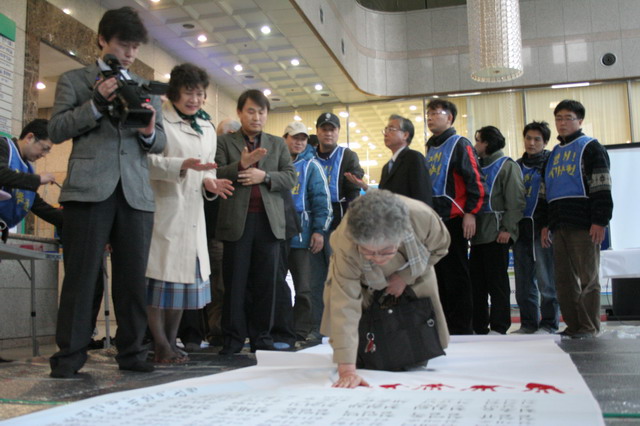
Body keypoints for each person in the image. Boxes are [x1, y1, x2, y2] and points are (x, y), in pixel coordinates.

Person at [48, 6, 166, 378]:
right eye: (122, 44)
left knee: (132, 280)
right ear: (102, 40)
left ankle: (132, 353)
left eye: (134, 47)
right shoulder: (75, 80)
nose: (129, 53)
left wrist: (148, 132)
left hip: (135, 193)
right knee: (82, 278)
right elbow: (56, 130)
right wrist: (96, 103)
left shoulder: (147, 89)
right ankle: (69, 356)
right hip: (87, 190)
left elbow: (159, 140)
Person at [145, 63, 233, 363]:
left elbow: (205, 167)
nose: (195, 99)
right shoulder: (161, 120)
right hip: (164, 209)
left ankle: (171, 341)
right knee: (159, 282)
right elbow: (147, 162)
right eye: (188, 93)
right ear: (174, 93)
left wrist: (212, 183)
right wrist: (181, 165)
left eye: (199, 93)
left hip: (193, 215)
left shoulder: (207, 126)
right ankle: (159, 344)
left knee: (181, 284)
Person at [320, 190, 450, 388]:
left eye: (386, 251)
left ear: (400, 235)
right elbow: (344, 303)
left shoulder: (422, 218)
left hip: (414, 272)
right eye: (369, 252)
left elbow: (440, 248)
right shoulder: (345, 243)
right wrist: (347, 370)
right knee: (364, 354)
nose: (379, 259)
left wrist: (404, 277)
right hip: (365, 283)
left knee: (418, 351)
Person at [214, 89, 296, 354]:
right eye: (251, 111)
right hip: (237, 222)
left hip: (269, 223)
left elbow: (290, 177)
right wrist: (240, 165)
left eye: (261, 112)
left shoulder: (277, 143)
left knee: (267, 284)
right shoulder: (225, 143)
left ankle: (262, 337)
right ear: (240, 112)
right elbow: (215, 172)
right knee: (234, 284)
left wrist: (265, 177)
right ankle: (233, 340)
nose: (256, 116)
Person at [540, 99, 613, 339]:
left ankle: (589, 327)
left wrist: (600, 220)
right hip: (558, 225)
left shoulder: (591, 147)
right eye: (558, 118)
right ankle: (573, 326)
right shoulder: (552, 155)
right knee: (563, 280)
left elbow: (602, 186)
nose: (562, 123)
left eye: (568, 118)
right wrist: (545, 225)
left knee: (588, 279)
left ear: (580, 121)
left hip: (584, 224)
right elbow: (545, 194)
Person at [425, 99, 485, 335]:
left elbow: (477, 181)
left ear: (449, 118)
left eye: (436, 113)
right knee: (439, 276)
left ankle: (462, 328)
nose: (430, 117)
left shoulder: (460, 144)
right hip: (434, 222)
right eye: (428, 113)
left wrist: (471, 213)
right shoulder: (430, 146)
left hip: (456, 219)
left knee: (457, 276)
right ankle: (445, 326)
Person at [310, 112, 364, 338]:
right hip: (313, 225)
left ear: (338, 132)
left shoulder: (347, 155)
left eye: (332, 129)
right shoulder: (309, 155)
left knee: (340, 278)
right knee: (315, 279)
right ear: (318, 132)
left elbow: (354, 189)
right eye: (324, 128)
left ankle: (344, 325)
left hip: (338, 225)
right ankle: (317, 326)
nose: (328, 132)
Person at [470, 126, 525, 335]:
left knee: (497, 283)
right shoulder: (478, 167)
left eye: (478, 141)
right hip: (477, 236)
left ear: (488, 143)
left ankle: (499, 326)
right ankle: (479, 325)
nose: (475, 146)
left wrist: (508, 229)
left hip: (497, 233)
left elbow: (516, 200)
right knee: (478, 284)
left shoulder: (506, 166)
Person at [283, 121, 331, 341]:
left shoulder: (312, 165)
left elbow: (322, 201)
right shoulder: (274, 163)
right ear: (285, 139)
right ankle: (280, 327)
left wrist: (319, 231)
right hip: (276, 236)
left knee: (304, 288)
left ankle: (303, 330)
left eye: (303, 138)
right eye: (294, 138)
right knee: (276, 287)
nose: (299, 142)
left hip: (302, 238)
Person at [512, 121, 560, 334]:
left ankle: (549, 323)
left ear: (545, 142)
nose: (531, 143)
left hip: (542, 229)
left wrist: (548, 225)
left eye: (537, 139)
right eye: (528, 138)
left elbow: (554, 196)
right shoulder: (516, 165)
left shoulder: (552, 162)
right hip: (520, 229)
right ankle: (528, 323)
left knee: (546, 279)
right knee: (523, 281)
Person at [202, 118, 241, 348]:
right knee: (219, 284)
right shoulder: (213, 162)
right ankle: (217, 330)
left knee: (234, 283)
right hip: (216, 232)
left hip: (238, 230)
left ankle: (233, 328)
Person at [345, 114, 432, 206]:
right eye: (386, 130)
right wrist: (363, 186)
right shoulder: (386, 167)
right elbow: (384, 196)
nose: (386, 133)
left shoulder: (414, 158)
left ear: (405, 135)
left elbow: (423, 196)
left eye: (391, 129)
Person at [0, 119, 61, 243]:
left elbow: (35, 203)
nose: (44, 155)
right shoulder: (4, 146)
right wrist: (38, 179)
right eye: (44, 148)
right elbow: (2, 174)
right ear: (29, 137)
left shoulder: (28, 170)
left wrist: (72, 219)